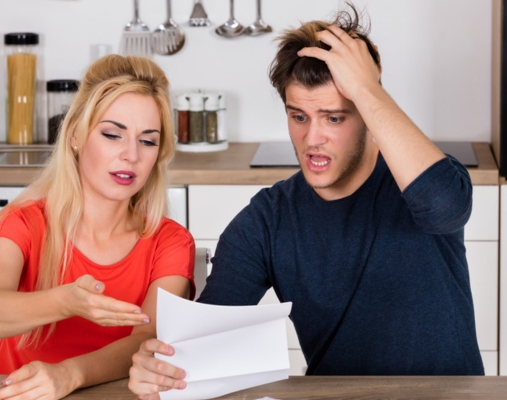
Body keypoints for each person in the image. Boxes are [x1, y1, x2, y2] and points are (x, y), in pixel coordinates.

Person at [128, 4, 484, 398]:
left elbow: (444, 206)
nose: (313, 138)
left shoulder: (420, 179)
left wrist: (367, 88)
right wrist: (162, 366)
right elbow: (206, 343)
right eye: (299, 117)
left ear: (368, 112)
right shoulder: (268, 220)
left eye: (334, 118)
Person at [0, 54, 195, 400]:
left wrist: (70, 374)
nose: (131, 155)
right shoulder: (22, 224)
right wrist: (66, 301)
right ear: (75, 135)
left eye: (147, 141)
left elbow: (146, 341)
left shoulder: (170, 242)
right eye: (112, 135)